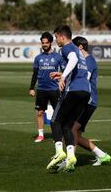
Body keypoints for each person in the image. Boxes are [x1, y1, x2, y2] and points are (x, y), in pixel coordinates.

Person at [47, 25, 91, 172]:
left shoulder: (67, 48)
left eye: (55, 38)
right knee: (67, 125)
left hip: (73, 90)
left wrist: (63, 77)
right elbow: (81, 70)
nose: (55, 41)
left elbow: (71, 59)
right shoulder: (79, 51)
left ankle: (59, 152)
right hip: (85, 92)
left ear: (62, 36)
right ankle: (71, 155)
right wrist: (62, 74)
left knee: (55, 120)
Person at [70, 36, 110, 166]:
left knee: (72, 130)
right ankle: (102, 155)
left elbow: (84, 79)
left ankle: (71, 160)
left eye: (73, 47)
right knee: (76, 134)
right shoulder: (83, 60)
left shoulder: (88, 61)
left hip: (87, 101)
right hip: (84, 100)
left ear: (80, 47)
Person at [29, 32, 64, 142]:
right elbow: (35, 74)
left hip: (54, 89)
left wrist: (62, 81)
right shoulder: (38, 58)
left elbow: (64, 72)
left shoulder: (58, 57)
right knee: (40, 112)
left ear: (50, 43)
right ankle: (40, 135)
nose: (44, 44)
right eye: (43, 43)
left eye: (46, 43)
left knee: (57, 113)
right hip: (41, 89)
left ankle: (58, 135)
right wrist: (31, 88)